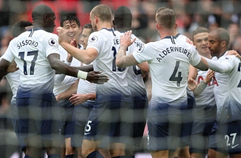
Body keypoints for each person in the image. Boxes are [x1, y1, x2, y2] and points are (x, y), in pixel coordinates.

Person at [0, 4, 108, 158]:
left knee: (32, 149)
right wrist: (85, 76)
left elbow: (2, 67)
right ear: (46, 18)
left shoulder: (16, 41)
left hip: (22, 98)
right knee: (54, 147)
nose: (54, 22)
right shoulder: (49, 38)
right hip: (43, 96)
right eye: (53, 19)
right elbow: (56, 64)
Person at [116, 7, 209, 158]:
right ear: (176, 25)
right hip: (181, 108)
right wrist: (193, 50)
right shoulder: (187, 47)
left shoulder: (152, 47)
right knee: (178, 152)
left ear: (157, 25)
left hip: (160, 109)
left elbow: (120, 62)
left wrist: (124, 45)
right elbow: (204, 65)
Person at [57, 4, 133, 158]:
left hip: (106, 98)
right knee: (116, 150)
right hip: (125, 97)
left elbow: (87, 57)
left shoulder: (97, 36)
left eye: (91, 20)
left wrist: (63, 44)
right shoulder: (122, 37)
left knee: (86, 150)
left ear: (95, 19)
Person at [113, 5, 149, 156]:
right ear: (131, 22)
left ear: (113, 22)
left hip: (117, 95)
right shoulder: (140, 42)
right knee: (132, 146)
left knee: (115, 145)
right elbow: (146, 69)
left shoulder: (109, 39)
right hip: (139, 95)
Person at [204, 28, 241, 158]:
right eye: (208, 41)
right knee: (212, 154)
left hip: (233, 116)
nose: (208, 45)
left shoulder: (230, 58)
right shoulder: (219, 59)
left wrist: (195, 57)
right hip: (221, 117)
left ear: (223, 43)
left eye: (212, 42)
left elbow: (223, 68)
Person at [53, 14, 82, 158]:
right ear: (60, 30)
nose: (71, 30)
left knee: (72, 147)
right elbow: (57, 81)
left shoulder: (86, 50)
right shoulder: (55, 50)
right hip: (58, 103)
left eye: (73, 26)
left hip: (77, 101)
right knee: (59, 148)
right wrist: (69, 61)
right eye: (67, 27)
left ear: (79, 28)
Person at [188, 27, 218, 158]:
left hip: (218, 114)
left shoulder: (221, 61)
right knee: (196, 155)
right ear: (194, 45)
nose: (204, 43)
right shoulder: (189, 66)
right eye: (199, 41)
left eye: (206, 39)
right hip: (198, 115)